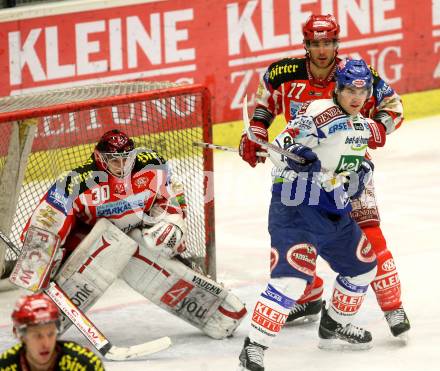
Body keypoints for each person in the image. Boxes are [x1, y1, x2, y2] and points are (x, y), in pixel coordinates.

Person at [239, 14, 410, 339]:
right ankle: (308, 297)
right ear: (306, 43)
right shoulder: (283, 73)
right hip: (301, 171)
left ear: (337, 43)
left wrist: (377, 126)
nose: (322, 50)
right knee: (296, 238)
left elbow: (393, 104)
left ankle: (392, 306)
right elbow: (263, 107)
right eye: (316, 43)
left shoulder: (355, 75)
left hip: (349, 168)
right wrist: (255, 135)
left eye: (328, 42)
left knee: (369, 235)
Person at [12, 129, 245, 341]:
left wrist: (173, 224)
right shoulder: (76, 182)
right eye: (114, 159)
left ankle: (215, 305)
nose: (121, 165)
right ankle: (40, 318)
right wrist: (41, 260)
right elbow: (47, 222)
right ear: (101, 158)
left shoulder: (151, 167)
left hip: (135, 234)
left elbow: (171, 198)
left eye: (126, 158)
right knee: (108, 240)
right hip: (86, 242)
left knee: (157, 241)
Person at [239, 58, 381, 370]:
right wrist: (295, 159)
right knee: (291, 281)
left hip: (332, 210)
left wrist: (359, 176)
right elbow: (279, 149)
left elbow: (347, 165)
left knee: (363, 268)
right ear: (339, 89)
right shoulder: (319, 112)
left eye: (363, 91)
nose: (356, 97)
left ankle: (333, 324)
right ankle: (254, 346)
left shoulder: (361, 124)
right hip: (296, 209)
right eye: (349, 90)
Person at [0, 292, 105, 370]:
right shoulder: (5, 365)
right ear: (21, 336)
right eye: (37, 336)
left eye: (51, 334)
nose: (46, 344)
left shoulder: (84, 364)